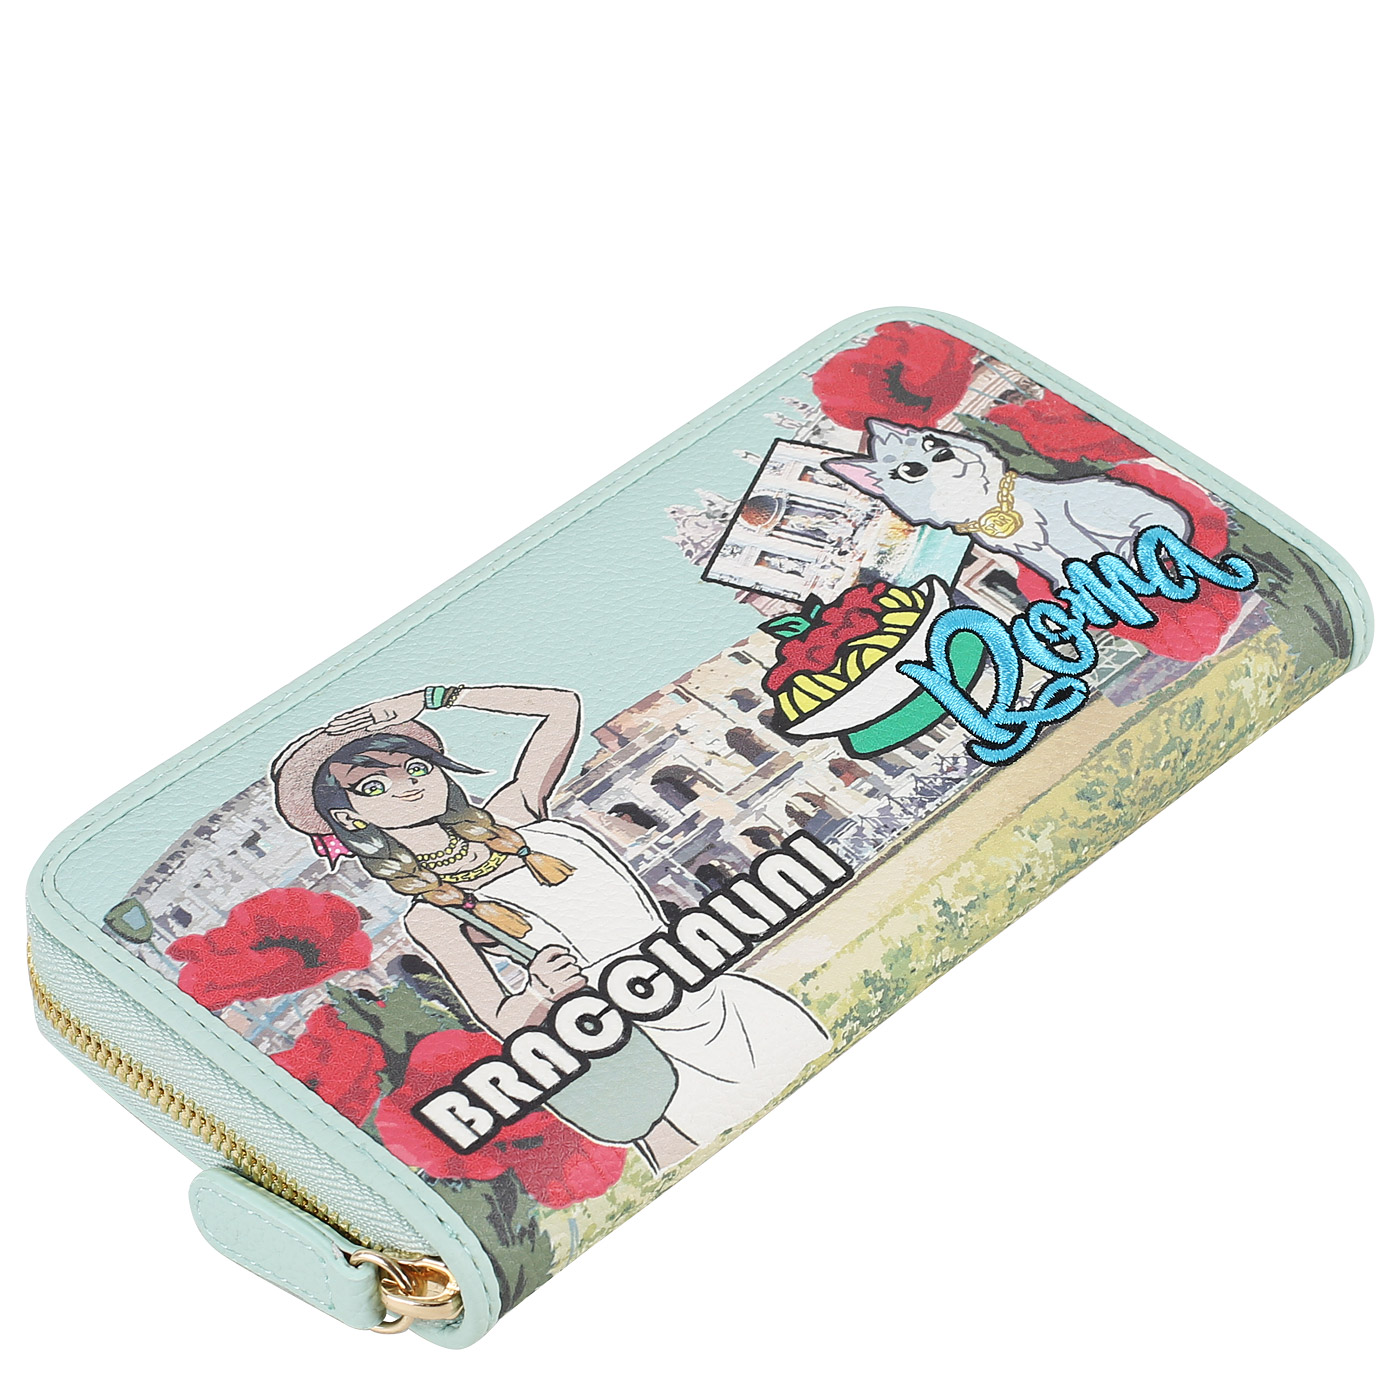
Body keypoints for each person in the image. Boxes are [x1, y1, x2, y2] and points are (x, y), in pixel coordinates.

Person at [271, 683, 829, 1168]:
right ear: (347, 817)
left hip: (712, 985)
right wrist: (538, 991)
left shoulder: (514, 812)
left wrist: (435, 698)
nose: (409, 786)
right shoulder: (432, 915)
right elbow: (498, 1015)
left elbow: (561, 706)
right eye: (374, 786)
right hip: (637, 1032)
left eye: (417, 768)